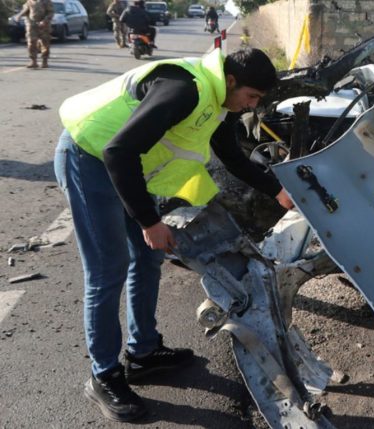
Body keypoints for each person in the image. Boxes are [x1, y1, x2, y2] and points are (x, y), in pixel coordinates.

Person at [54, 47, 293, 422]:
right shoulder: (184, 90)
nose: (251, 106)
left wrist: (277, 189)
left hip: (131, 169)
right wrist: (149, 221)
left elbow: (231, 156)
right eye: (252, 97)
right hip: (91, 159)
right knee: (108, 270)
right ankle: (104, 376)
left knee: (148, 259)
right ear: (231, 80)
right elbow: (118, 151)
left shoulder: (219, 102)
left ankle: (143, 353)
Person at [15, 0, 53, 69]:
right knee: (31, 43)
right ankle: (33, 61)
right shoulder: (29, 1)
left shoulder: (46, 1)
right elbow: (25, 10)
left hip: (44, 26)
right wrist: (19, 16)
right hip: (32, 25)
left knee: (45, 43)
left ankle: (45, 61)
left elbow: (50, 13)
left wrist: (45, 21)